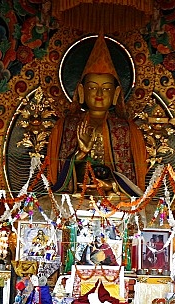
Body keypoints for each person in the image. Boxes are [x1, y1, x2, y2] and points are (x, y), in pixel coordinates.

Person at [45, 34, 148, 197]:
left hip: (115, 198)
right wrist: (79, 154)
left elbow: (136, 181)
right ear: (81, 91)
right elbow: (55, 178)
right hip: (74, 196)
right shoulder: (66, 126)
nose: (99, 93)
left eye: (106, 89)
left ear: (116, 94)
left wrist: (111, 185)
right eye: (92, 88)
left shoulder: (128, 130)